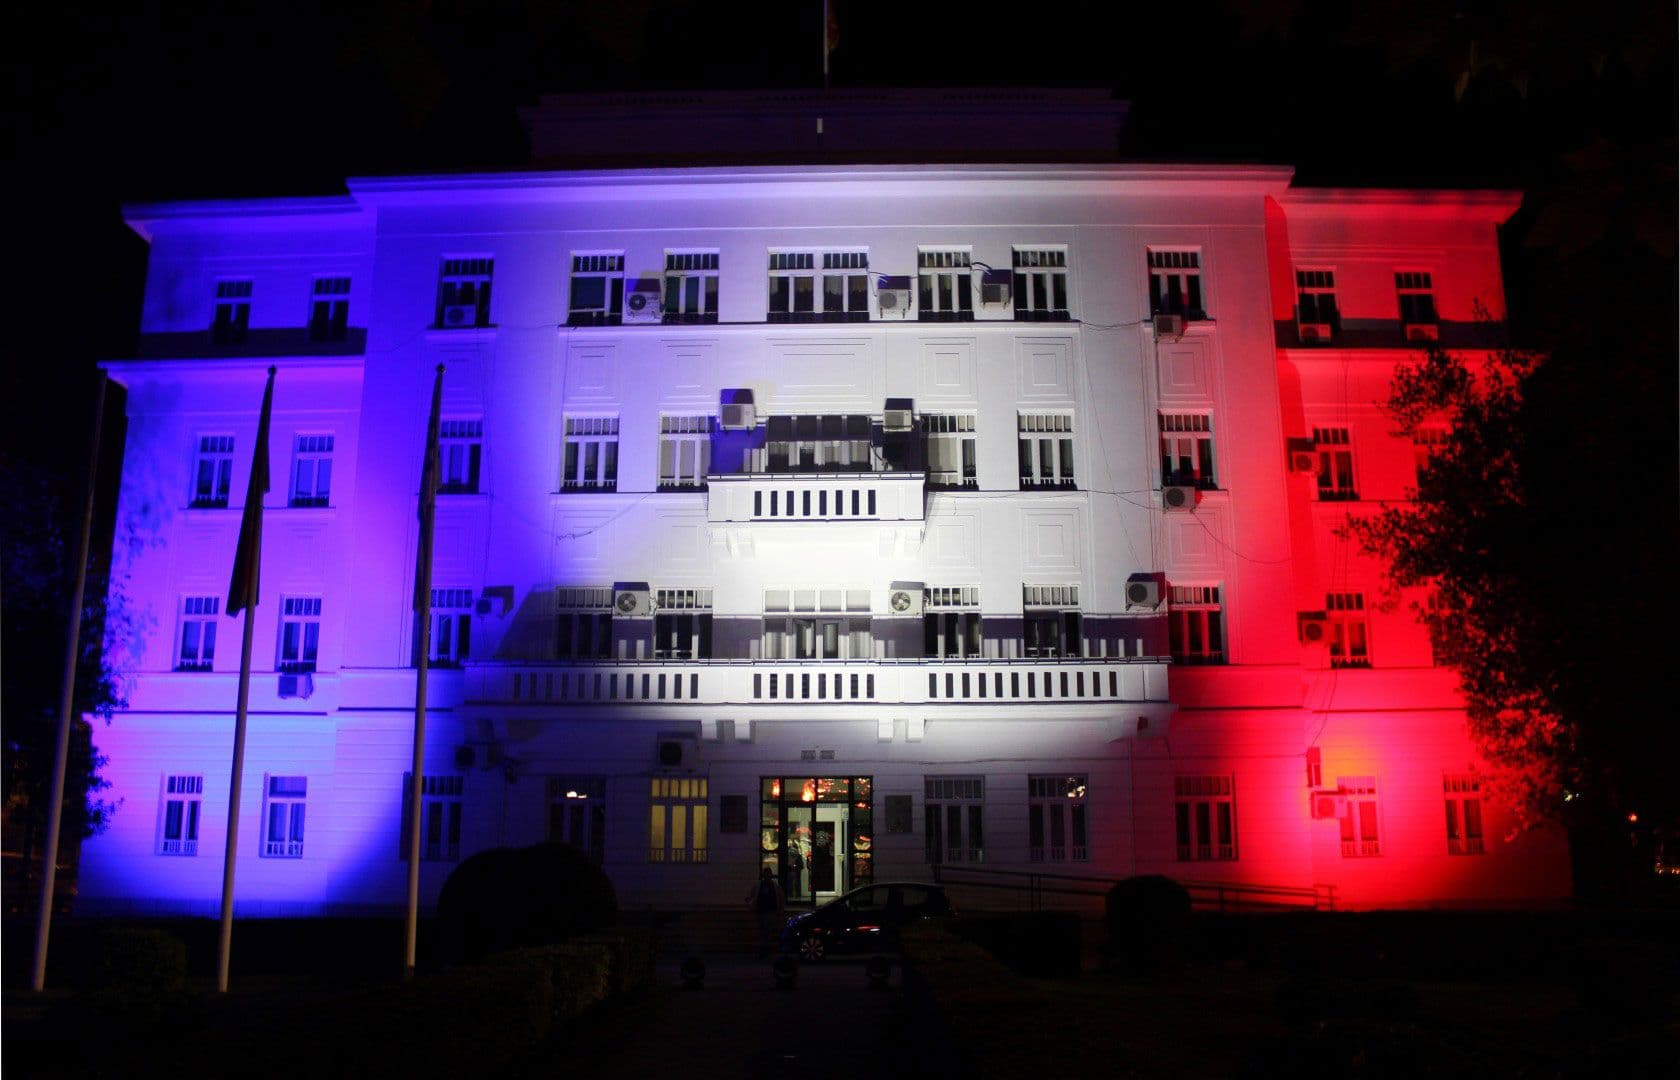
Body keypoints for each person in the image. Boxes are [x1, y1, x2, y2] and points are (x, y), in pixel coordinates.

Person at [747, 866, 785, 958]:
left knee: (766, 931)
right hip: (762, 911)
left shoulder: (774, 886)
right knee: (764, 931)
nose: (768, 876)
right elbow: (752, 896)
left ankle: (765, 950)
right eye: (767, 874)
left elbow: (780, 898)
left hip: (769, 911)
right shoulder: (763, 886)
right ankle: (765, 950)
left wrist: (780, 909)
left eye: (769, 874)